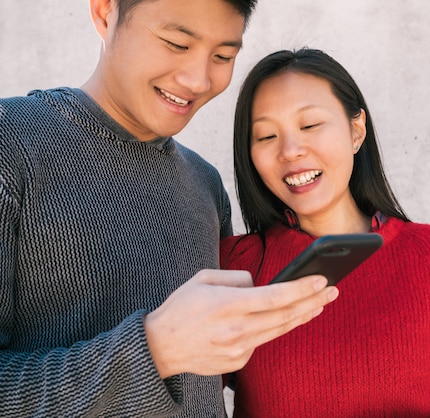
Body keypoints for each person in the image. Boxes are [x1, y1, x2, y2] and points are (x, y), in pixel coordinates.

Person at [0, 1, 339, 416]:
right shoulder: (11, 145)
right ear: (105, 12)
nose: (197, 79)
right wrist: (155, 348)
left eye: (222, 57)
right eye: (176, 43)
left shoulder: (205, 184)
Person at [220, 48, 430, 417]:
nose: (290, 150)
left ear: (356, 131)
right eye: (267, 135)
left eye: (309, 125)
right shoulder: (233, 267)